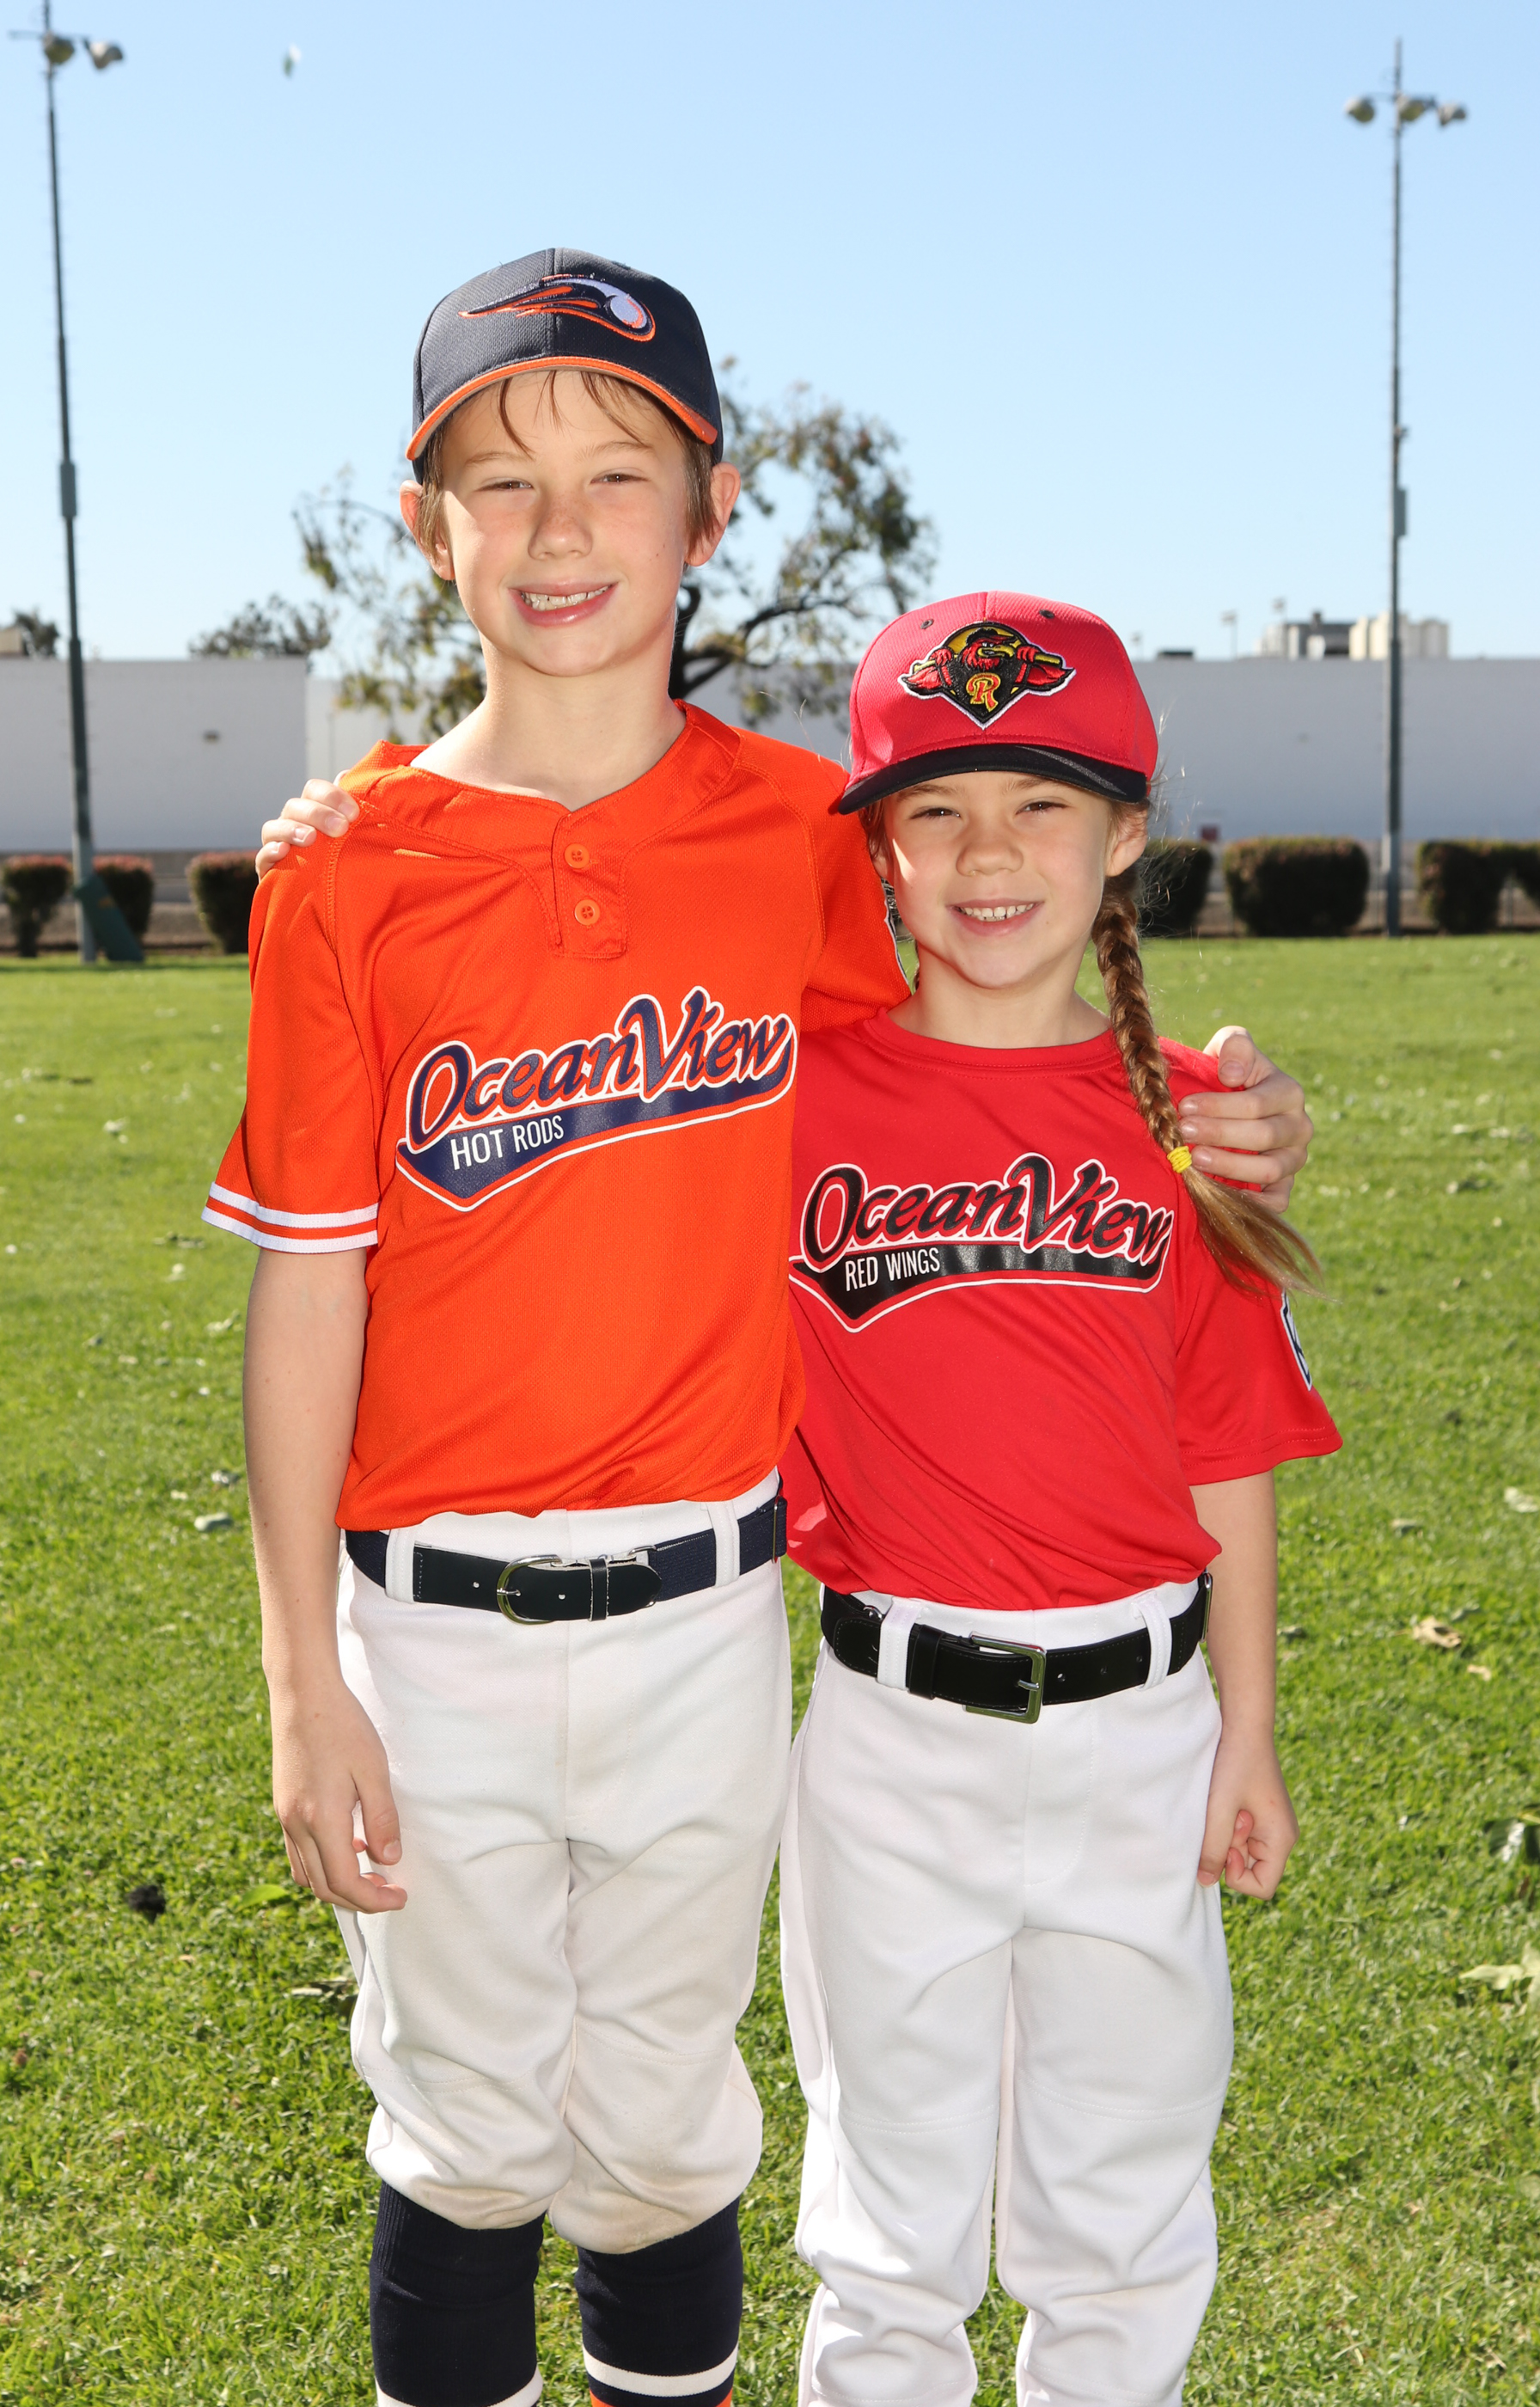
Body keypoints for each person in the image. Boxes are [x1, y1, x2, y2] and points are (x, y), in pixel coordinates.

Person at [229, 249, 1313, 2407]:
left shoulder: (795, 842)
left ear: (711, 508)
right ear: (424, 523)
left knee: (661, 2126)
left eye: (618, 473)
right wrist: (295, 1677)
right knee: (463, 2120)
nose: (561, 527)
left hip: (712, 1603)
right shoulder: (347, 865)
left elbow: (998, 1007)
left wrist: (1220, 1103)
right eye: (501, 478)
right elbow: (309, 1281)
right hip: (422, 1609)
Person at [776, 592, 1341, 2407]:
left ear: (1121, 840)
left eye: (1042, 803)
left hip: (1140, 1737)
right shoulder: (796, 1090)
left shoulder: (1190, 1121)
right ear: (878, 847)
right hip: (888, 1730)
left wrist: (1248, 1730)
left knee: (1125, 2217)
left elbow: (1224, 1451)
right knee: (887, 2224)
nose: (988, 854)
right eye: (935, 810)